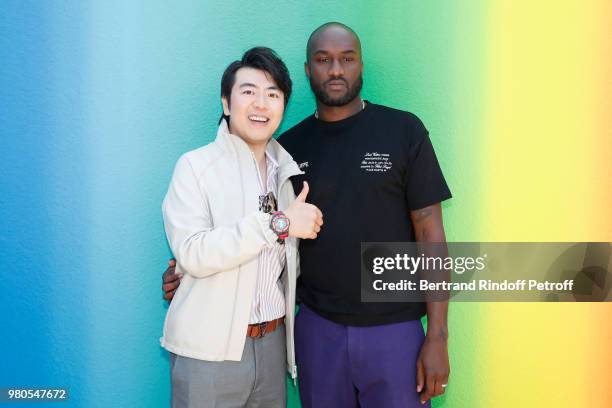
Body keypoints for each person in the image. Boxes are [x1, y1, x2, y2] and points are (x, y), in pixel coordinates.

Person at [163, 23, 451, 407]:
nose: (335, 69)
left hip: (394, 329)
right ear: (307, 69)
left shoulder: (402, 130)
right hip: (316, 329)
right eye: (323, 60)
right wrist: (187, 268)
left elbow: (430, 230)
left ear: (360, 64)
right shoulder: (286, 152)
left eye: (346, 59)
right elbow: (255, 234)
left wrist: (438, 336)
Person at [161, 46, 323, 408]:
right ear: (226, 102)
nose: (261, 104)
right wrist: (279, 223)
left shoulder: (287, 173)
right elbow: (192, 252)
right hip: (209, 351)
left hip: (272, 346)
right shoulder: (195, 166)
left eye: (273, 94)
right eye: (248, 92)